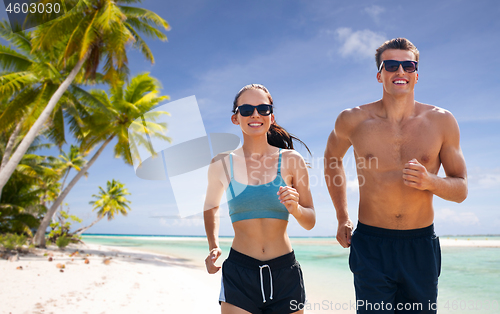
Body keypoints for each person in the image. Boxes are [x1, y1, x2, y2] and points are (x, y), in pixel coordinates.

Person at [324, 38, 468, 313]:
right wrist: (342, 216)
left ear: (416, 74)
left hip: (420, 245)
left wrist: (431, 181)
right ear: (380, 75)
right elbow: (332, 159)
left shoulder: (442, 121)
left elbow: (461, 189)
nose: (399, 71)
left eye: (407, 65)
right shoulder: (352, 120)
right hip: (371, 244)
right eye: (391, 65)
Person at [204, 84, 316, 314]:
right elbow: (210, 207)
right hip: (239, 273)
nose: (255, 114)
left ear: (271, 117)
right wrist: (213, 246)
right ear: (236, 118)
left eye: (263, 108)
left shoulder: (292, 160)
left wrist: (295, 208)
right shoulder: (221, 163)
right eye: (246, 109)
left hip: (285, 273)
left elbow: (310, 220)